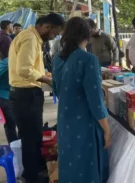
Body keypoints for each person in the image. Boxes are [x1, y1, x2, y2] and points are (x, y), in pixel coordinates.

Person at [52, 17, 111, 183]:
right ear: (88, 35)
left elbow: (57, 89)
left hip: (65, 122)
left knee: (70, 165)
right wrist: (106, 129)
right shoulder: (88, 60)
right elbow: (96, 102)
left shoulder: (57, 58)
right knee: (86, 166)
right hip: (84, 123)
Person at [9, 13, 64, 183]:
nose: (53, 37)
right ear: (47, 27)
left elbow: (30, 66)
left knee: (34, 135)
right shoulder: (30, 39)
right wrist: (47, 79)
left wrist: (44, 73)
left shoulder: (30, 37)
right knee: (30, 139)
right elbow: (24, 70)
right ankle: (32, 177)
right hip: (26, 95)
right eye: (54, 33)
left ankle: (37, 170)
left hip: (26, 94)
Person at [0, 42, 18, 144]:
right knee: (11, 123)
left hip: (10, 95)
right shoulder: (7, 62)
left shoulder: (8, 61)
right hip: (4, 97)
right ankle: (14, 146)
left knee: (11, 123)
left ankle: (15, 146)